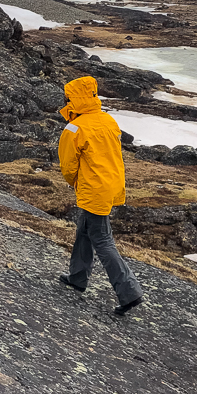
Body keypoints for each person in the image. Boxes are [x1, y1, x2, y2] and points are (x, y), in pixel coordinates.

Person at [57, 76, 144, 315]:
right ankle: (77, 277)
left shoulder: (74, 128)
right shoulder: (107, 120)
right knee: (85, 229)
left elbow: (68, 166)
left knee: (102, 239)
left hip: (94, 188)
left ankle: (129, 292)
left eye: (67, 97)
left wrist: (75, 183)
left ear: (73, 99)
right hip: (111, 184)